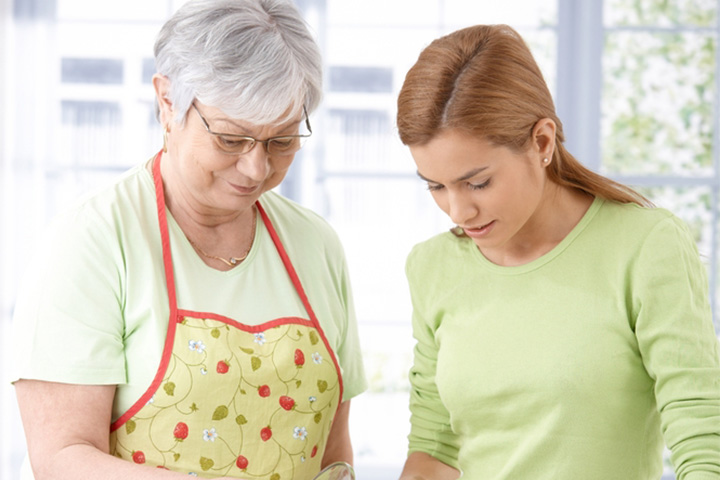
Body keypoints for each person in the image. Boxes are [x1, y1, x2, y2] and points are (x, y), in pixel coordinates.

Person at [11, 1, 367, 479]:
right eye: (230, 138)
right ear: (167, 102)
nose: (255, 168)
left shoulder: (315, 244)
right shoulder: (93, 241)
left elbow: (332, 452)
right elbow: (62, 459)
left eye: (281, 140)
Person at [395, 24, 720, 480]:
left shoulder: (646, 247)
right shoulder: (432, 267)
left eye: (478, 182)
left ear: (542, 142)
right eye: (435, 186)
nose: (458, 211)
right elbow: (434, 446)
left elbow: (702, 433)